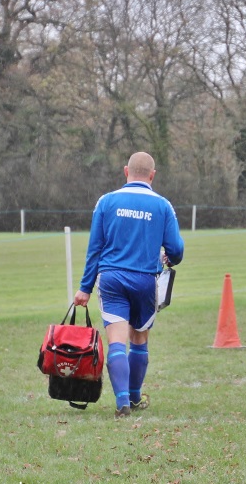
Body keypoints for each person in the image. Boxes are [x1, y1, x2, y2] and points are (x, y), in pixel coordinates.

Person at [74, 152, 184, 418]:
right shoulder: (163, 205)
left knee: (117, 342)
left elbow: (95, 248)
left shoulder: (106, 201)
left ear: (126, 171)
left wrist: (85, 288)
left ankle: (122, 401)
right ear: (152, 175)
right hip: (145, 280)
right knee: (139, 339)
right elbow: (176, 250)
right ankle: (134, 397)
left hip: (112, 279)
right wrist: (168, 257)